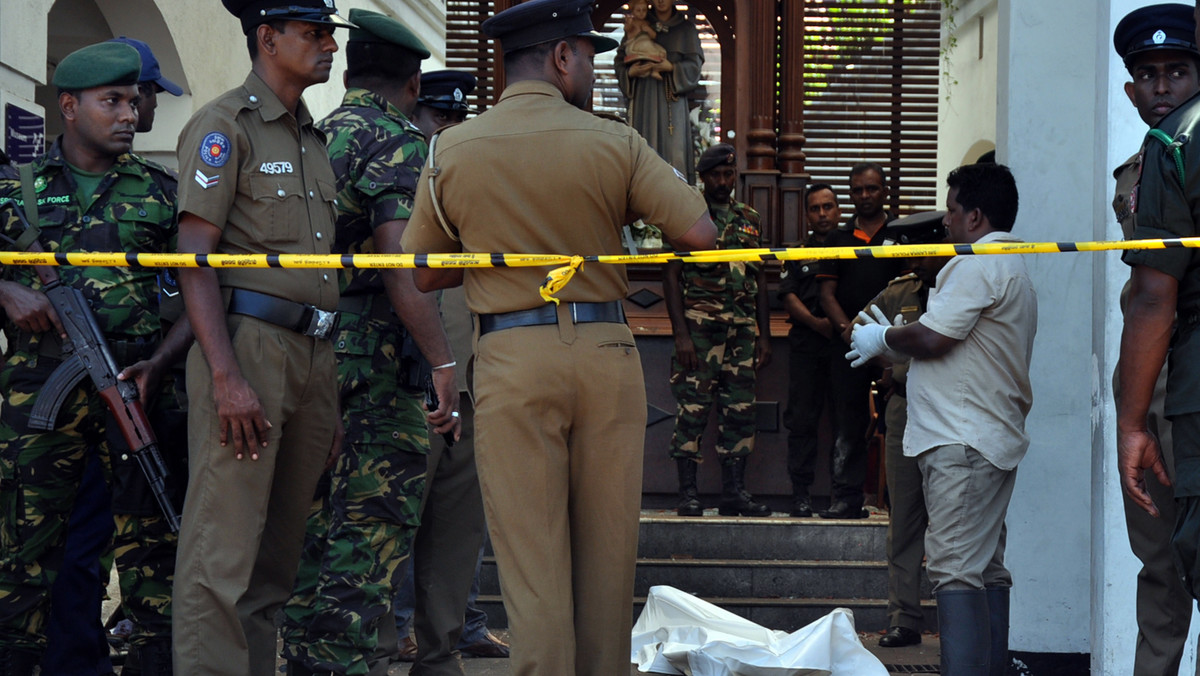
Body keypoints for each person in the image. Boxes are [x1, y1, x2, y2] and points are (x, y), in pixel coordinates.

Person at [399, 1, 717, 673]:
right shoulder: (613, 141)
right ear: (562, 58)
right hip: (606, 353)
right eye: (590, 56)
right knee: (606, 559)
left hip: (513, 356)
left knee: (531, 565)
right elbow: (698, 234)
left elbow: (422, 272)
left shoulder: (452, 147)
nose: (596, 72)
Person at [276, 10, 460, 675]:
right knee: (371, 531)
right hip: (382, 363)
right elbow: (400, 267)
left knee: (313, 525)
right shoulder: (400, 142)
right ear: (413, 82)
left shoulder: (312, 137)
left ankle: (303, 662)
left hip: (312, 349)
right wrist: (443, 360)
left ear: (350, 72)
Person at [171, 2, 352, 673]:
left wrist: (322, 389)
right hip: (247, 348)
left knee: (275, 559)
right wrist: (225, 375)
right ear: (268, 39)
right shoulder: (224, 126)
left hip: (312, 356)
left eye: (331, 34)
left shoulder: (311, 137)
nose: (329, 45)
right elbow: (195, 255)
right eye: (314, 34)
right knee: (222, 555)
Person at [0, 41, 184, 675]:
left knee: (153, 548)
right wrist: (5, 288)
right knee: (24, 550)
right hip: (38, 393)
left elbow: (206, 296)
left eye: (133, 101)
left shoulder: (163, 193)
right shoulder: (14, 189)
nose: (130, 113)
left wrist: (160, 361)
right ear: (69, 106)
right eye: (113, 101)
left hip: (137, 388)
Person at [848, 162, 1036, 675]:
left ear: (975, 216)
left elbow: (936, 338)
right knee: (984, 568)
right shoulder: (1014, 260)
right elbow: (958, 349)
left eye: (952, 212)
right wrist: (895, 345)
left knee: (955, 570)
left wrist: (884, 338)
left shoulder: (975, 262)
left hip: (963, 441)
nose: (946, 223)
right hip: (984, 435)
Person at [388, 67, 510, 671]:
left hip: (467, 373)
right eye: (440, 119)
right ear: (417, 116)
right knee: (394, 521)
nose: (450, 131)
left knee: (460, 526)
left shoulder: (475, 179)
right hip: (400, 377)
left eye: (459, 120)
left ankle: (446, 643)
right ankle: (392, 638)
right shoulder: (391, 172)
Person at [1111, 6, 1200, 674]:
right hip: (1155, 380)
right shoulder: (1142, 164)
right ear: (1130, 91)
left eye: (1178, 71)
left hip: (1178, 389)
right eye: (1149, 75)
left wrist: (1130, 420)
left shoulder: (1176, 150)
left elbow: (1153, 294)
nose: (1163, 87)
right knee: (1160, 568)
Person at [848, 212, 948, 649]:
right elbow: (857, 329)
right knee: (905, 520)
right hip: (906, 414)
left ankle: (957, 618)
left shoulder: (960, 288)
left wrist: (901, 364)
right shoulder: (900, 292)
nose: (916, 261)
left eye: (922, 252)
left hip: (951, 412)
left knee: (951, 522)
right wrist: (889, 364)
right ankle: (904, 618)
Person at [666, 143, 771, 517]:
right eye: (716, 175)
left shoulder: (750, 218)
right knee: (692, 410)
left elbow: (759, 279)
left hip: (742, 332)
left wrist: (765, 333)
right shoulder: (688, 216)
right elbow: (672, 275)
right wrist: (680, 334)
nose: (723, 182)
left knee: (739, 412)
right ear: (703, 178)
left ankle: (734, 493)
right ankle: (688, 494)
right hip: (700, 330)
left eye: (729, 175)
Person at [816, 162, 902, 519]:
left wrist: (886, 345)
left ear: (884, 191)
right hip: (848, 346)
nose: (864, 196)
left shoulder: (901, 234)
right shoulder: (837, 239)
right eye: (857, 190)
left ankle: (898, 501)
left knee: (898, 421)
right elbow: (826, 293)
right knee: (847, 421)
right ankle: (846, 498)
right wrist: (850, 332)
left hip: (895, 344)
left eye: (871, 188)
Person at [779, 183, 839, 517]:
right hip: (807, 344)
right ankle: (800, 494)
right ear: (806, 214)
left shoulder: (850, 246)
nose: (822, 214)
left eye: (827, 207)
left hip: (843, 345)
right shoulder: (797, 251)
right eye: (815, 209)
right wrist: (817, 323)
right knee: (802, 421)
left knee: (845, 421)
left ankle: (842, 495)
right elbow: (787, 295)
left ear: (838, 209)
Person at [615, 0, 704, 184]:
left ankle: (676, 203)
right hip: (643, 99)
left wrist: (670, 66)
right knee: (642, 148)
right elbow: (621, 59)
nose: (661, 1)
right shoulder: (641, 23)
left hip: (671, 99)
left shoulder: (685, 28)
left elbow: (694, 67)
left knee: (674, 151)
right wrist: (631, 72)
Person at [621, 0, 669, 78]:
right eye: (638, 10)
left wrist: (649, 30)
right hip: (634, 45)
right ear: (632, 11)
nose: (641, 13)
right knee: (646, 45)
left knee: (662, 51)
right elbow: (627, 29)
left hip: (647, 44)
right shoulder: (633, 23)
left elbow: (653, 36)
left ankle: (655, 70)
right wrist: (628, 23)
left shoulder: (647, 23)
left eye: (644, 10)